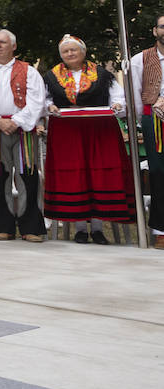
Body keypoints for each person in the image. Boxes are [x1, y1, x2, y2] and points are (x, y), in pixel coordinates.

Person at [43, 34, 133, 244]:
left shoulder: (102, 74)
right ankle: (80, 228)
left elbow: (118, 98)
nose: (70, 54)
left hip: (99, 129)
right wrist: (49, 107)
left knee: (99, 172)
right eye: (66, 51)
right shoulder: (51, 77)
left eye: (74, 50)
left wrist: (118, 106)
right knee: (75, 173)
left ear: (83, 52)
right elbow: (44, 99)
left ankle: (99, 227)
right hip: (67, 131)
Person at [0, 29, 48, 242]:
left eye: (2, 42)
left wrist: (17, 121)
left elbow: (37, 100)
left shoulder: (29, 71)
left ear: (13, 46)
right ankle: (3, 226)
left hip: (23, 130)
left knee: (27, 177)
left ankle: (30, 226)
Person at [128, 14, 164, 248]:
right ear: (155, 31)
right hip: (155, 122)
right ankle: (161, 230)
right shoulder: (140, 59)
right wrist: (142, 123)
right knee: (159, 173)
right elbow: (134, 94)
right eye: (163, 26)